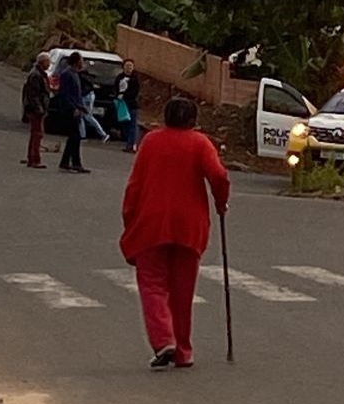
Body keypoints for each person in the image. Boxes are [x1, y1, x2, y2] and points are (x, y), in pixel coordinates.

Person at [120, 96, 230, 370]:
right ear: (193, 119)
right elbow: (219, 176)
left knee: (153, 285)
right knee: (183, 291)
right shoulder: (200, 143)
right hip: (189, 226)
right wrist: (220, 202)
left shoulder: (151, 142)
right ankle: (183, 351)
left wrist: (129, 219)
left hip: (151, 223)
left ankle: (163, 339)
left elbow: (134, 187)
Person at [58, 51, 90, 174]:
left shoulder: (75, 74)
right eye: (81, 61)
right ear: (77, 61)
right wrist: (74, 108)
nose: (83, 63)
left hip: (76, 109)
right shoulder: (67, 74)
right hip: (69, 110)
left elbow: (77, 95)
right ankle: (76, 163)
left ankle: (65, 162)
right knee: (75, 136)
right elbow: (65, 95)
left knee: (73, 137)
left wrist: (81, 107)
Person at [22, 51, 51, 169]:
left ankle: (31, 158)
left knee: (35, 134)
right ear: (43, 62)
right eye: (48, 62)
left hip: (36, 108)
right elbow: (34, 94)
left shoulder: (38, 74)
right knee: (37, 134)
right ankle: (35, 159)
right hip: (36, 110)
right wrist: (39, 108)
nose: (49, 65)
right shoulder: (36, 75)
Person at [115, 59, 140, 153]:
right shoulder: (119, 77)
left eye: (130, 66)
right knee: (124, 123)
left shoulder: (135, 79)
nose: (128, 68)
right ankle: (128, 142)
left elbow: (135, 91)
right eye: (127, 65)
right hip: (121, 104)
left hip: (131, 104)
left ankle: (131, 145)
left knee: (132, 125)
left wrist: (125, 96)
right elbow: (115, 88)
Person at [78, 67, 109, 143]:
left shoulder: (81, 76)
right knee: (81, 116)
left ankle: (103, 134)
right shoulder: (86, 76)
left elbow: (86, 88)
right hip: (87, 95)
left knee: (88, 116)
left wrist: (81, 94)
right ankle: (82, 136)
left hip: (86, 96)